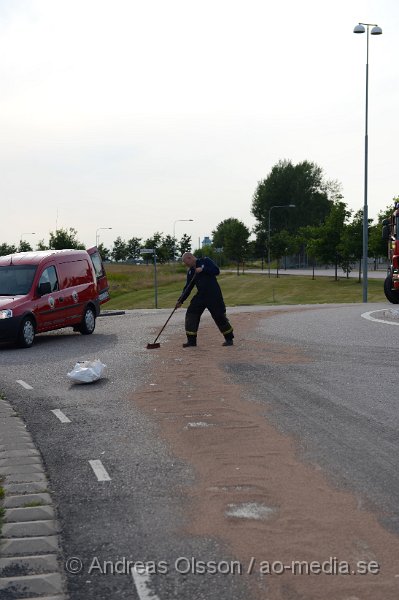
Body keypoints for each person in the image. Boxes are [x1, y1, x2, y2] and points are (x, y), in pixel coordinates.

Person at [175, 252, 234, 348]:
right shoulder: (191, 271)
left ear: (190, 258)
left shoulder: (206, 261)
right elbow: (188, 288)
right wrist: (180, 300)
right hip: (201, 295)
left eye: (186, 263)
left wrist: (203, 269)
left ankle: (229, 338)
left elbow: (216, 271)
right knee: (191, 313)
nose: (186, 265)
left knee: (219, 316)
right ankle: (191, 341)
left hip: (213, 294)